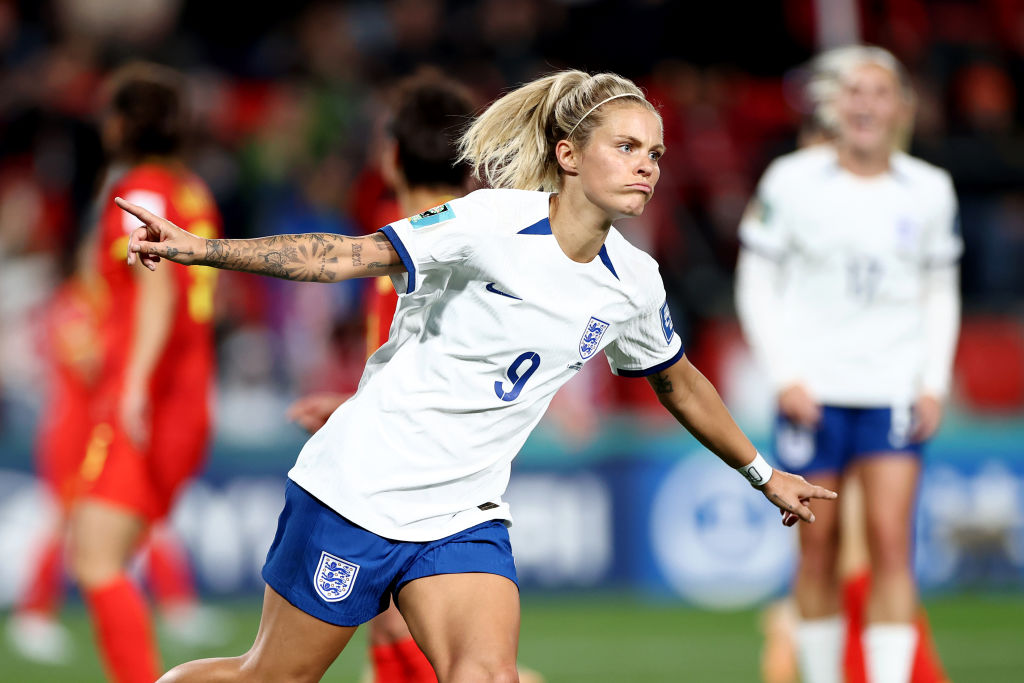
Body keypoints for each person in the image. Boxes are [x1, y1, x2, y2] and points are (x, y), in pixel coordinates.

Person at [119, 69, 837, 683]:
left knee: (488, 674)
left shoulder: (634, 281)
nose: (647, 164)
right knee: (273, 675)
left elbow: (678, 379)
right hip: (358, 490)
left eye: (654, 151)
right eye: (626, 146)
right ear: (569, 154)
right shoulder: (490, 223)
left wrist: (763, 472)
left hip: (464, 513)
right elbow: (346, 257)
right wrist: (202, 248)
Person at [735, 46, 961, 683]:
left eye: (879, 92)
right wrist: (785, 375)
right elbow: (756, 281)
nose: (866, 103)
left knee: (892, 546)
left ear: (900, 108)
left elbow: (940, 290)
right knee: (818, 551)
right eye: (853, 92)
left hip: (890, 387)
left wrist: (932, 383)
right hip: (815, 391)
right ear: (835, 105)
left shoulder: (929, 189)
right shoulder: (791, 180)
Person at [65, 62, 223, 683]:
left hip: (150, 396)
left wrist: (131, 382)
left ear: (123, 123)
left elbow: (154, 289)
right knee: (105, 553)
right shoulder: (192, 192)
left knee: (96, 557)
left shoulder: (145, 191)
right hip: (184, 394)